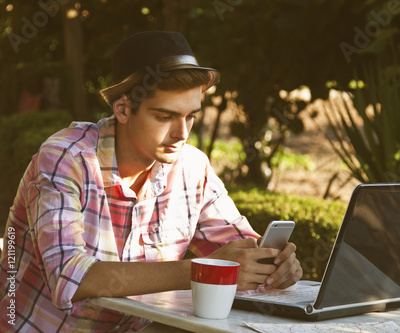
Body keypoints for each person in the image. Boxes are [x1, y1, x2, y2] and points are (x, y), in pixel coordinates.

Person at [0, 31, 302, 332]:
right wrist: (197, 271)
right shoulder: (66, 159)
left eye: (191, 117)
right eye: (164, 116)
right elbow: (69, 277)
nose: (181, 133)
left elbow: (239, 250)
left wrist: (270, 265)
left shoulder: (193, 168)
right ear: (122, 109)